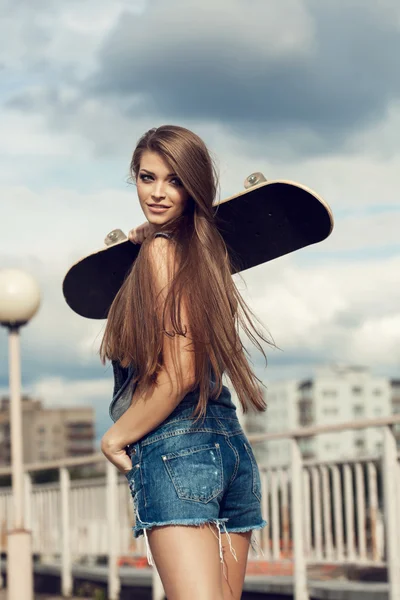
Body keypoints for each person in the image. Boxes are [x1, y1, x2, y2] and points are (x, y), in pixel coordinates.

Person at [100, 125, 272, 600]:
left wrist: (116, 436)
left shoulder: (160, 250)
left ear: (193, 186)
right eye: (146, 177)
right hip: (231, 450)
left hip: (178, 452)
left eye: (173, 181)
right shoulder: (207, 254)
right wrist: (153, 234)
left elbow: (179, 372)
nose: (156, 192)